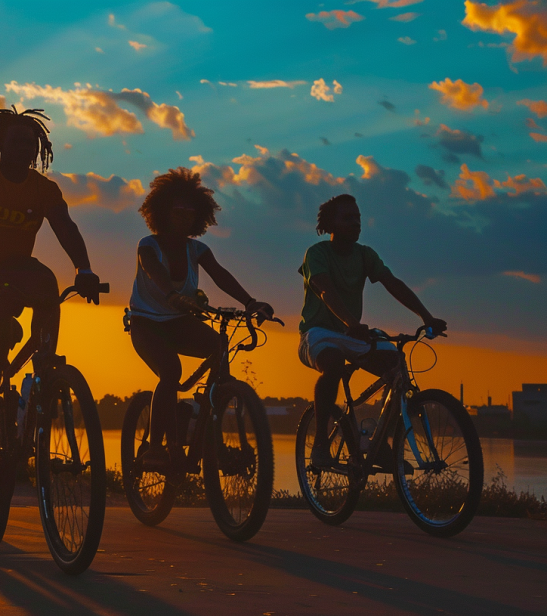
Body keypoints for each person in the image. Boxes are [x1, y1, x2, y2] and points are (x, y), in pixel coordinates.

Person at [0, 108, 103, 474]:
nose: (24, 148)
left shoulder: (43, 189)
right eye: (16, 141)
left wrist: (84, 269)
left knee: (48, 283)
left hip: (19, 270)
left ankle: (44, 373)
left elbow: (65, 227)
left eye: (30, 143)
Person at [128, 168, 275, 465]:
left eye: (190, 211)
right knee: (171, 371)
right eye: (177, 209)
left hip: (178, 322)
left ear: (199, 217)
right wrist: (172, 295)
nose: (183, 216)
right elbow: (152, 269)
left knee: (219, 349)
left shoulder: (197, 249)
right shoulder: (148, 244)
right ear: (163, 211)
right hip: (146, 324)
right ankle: (155, 448)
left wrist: (250, 302)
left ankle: (212, 437)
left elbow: (220, 275)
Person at [299, 194, 446, 466]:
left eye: (358, 218)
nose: (355, 223)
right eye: (347, 218)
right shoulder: (317, 253)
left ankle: (380, 442)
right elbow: (324, 290)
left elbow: (393, 284)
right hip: (317, 333)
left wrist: (427, 316)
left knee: (397, 367)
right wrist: (351, 323)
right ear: (330, 224)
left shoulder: (365, 255)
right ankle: (320, 445)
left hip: (352, 333)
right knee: (332, 364)